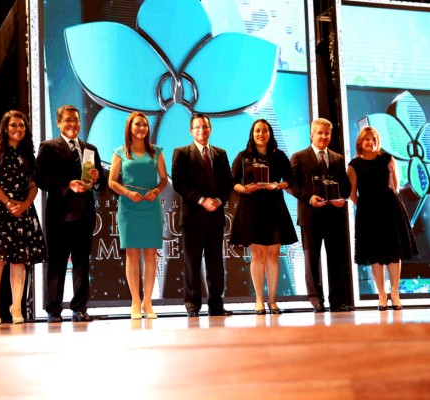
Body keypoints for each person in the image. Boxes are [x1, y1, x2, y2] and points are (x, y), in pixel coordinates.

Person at [0, 110, 47, 325]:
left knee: (19, 261)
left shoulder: (27, 154)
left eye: (21, 126)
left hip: (22, 211)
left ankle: (16, 308)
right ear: (5, 128)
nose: (18, 129)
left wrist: (24, 204)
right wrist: (8, 202)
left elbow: (33, 185)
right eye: (13, 125)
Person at [36, 105, 105, 323]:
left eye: (75, 120)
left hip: (84, 215)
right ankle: (53, 310)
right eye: (67, 120)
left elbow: (100, 184)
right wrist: (68, 185)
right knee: (56, 263)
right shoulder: (48, 147)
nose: (73, 124)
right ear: (58, 123)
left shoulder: (90, 149)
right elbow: (41, 179)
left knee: (82, 264)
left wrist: (96, 179)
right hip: (59, 216)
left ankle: (80, 308)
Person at [230, 119, 297, 314]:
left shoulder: (279, 156)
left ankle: (273, 300)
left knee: (273, 255)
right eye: (258, 130)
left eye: (265, 130)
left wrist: (278, 185)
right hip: (251, 209)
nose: (261, 134)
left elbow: (290, 180)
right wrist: (244, 188)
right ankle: (259, 299)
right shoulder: (243, 157)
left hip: (275, 208)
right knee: (258, 255)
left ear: (270, 133)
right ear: (252, 134)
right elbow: (232, 181)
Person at [347, 126, 418, 311]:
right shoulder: (354, 165)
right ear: (360, 143)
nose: (371, 142)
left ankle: (395, 294)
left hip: (391, 209)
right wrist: (365, 206)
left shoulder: (387, 159)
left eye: (374, 139)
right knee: (375, 255)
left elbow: (395, 184)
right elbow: (352, 194)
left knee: (394, 253)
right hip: (368, 213)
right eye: (367, 139)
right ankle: (381, 295)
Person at [171, 113, 234, 317]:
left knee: (216, 264)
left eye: (205, 127)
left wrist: (218, 200)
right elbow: (179, 184)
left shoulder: (220, 153)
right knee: (192, 264)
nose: (202, 130)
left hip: (215, 217)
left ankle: (216, 305)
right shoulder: (181, 153)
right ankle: (192, 306)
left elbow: (227, 183)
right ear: (191, 131)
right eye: (197, 127)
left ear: (210, 129)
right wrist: (201, 200)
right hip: (192, 218)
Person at [289, 118, 353, 313]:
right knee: (311, 261)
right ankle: (317, 301)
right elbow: (291, 185)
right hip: (310, 217)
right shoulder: (299, 157)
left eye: (327, 133)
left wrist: (342, 198)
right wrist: (309, 198)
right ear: (312, 134)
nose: (324, 136)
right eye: (320, 133)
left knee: (336, 259)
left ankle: (337, 301)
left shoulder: (337, 158)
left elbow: (346, 185)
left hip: (334, 216)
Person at [108, 112, 168, 319]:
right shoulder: (120, 152)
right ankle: (135, 301)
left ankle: (148, 302)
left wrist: (156, 191)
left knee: (150, 256)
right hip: (129, 206)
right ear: (129, 128)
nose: (141, 128)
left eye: (144, 124)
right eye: (137, 125)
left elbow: (163, 179)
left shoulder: (157, 152)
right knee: (133, 256)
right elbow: (112, 181)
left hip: (150, 207)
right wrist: (127, 193)